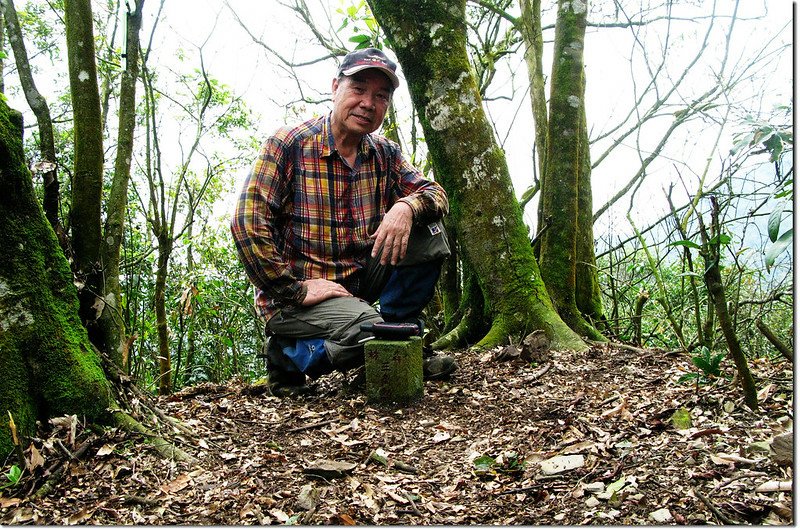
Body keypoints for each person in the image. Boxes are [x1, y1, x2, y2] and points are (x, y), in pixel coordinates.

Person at [231, 47, 457, 396]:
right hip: (295, 297)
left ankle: (398, 330)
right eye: (359, 89)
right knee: (373, 330)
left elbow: (435, 193)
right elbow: (247, 222)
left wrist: (406, 207)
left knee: (429, 230)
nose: (368, 103)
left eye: (381, 96)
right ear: (335, 87)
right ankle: (288, 354)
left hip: (356, 282)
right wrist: (296, 289)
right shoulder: (289, 145)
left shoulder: (384, 152)